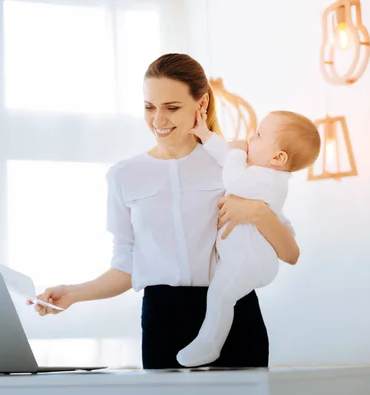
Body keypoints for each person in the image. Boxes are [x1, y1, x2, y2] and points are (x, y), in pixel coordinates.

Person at [28, 53, 300, 369]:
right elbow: (125, 268)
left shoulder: (231, 166)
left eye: (171, 108)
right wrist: (73, 293)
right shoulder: (124, 175)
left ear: (202, 106)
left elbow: (290, 252)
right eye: (149, 107)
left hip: (233, 313)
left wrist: (256, 211)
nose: (158, 120)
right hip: (163, 318)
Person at [175, 110, 321, 367]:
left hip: (248, 260)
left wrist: (236, 152)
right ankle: (208, 341)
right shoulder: (262, 173)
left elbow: (232, 175)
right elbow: (226, 159)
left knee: (220, 295)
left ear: (277, 157)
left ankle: (209, 343)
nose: (249, 139)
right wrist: (207, 135)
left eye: (258, 135)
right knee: (221, 294)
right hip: (246, 258)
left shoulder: (266, 179)